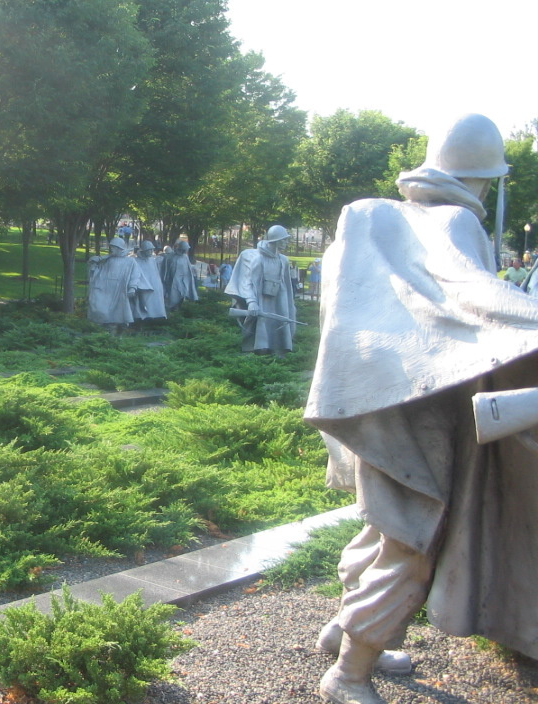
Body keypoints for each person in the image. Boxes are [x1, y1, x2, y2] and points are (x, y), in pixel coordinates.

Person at [305, 114, 538, 704]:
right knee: (414, 542)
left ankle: (342, 629)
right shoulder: (456, 222)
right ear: (484, 177)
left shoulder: (369, 222)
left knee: (383, 523)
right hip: (421, 407)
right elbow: (475, 311)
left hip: (362, 399)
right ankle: (350, 671)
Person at [224, 225, 297, 356]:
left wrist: (290, 306)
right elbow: (249, 282)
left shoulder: (283, 260)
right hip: (261, 299)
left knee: (279, 324)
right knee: (261, 326)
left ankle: (278, 351)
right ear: (275, 241)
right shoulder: (258, 259)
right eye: (284, 240)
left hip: (279, 300)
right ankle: (259, 351)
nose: (287, 243)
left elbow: (287, 284)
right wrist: (252, 302)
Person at [87, 236, 151, 332]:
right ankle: (108, 334)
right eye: (111, 247)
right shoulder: (108, 260)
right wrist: (94, 265)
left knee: (119, 315)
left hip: (120, 290)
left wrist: (132, 287)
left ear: (119, 248)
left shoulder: (130, 261)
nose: (111, 249)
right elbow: (100, 274)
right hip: (107, 291)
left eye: (113, 247)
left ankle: (118, 334)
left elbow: (135, 275)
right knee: (104, 311)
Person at [130, 241, 167, 322]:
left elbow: (156, 274)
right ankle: (141, 320)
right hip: (143, 287)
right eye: (149, 250)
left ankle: (154, 319)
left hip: (155, 286)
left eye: (152, 250)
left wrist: (159, 286)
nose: (151, 252)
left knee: (154, 305)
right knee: (143, 305)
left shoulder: (152, 260)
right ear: (143, 250)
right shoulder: (136, 261)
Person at [161, 239, 200, 311]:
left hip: (183, 280)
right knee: (173, 296)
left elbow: (188, 268)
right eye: (186, 249)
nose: (187, 251)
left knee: (183, 294)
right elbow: (165, 270)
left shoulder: (185, 257)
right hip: (173, 280)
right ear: (182, 249)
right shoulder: (170, 257)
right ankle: (172, 309)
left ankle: (179, 308)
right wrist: (165, 280)